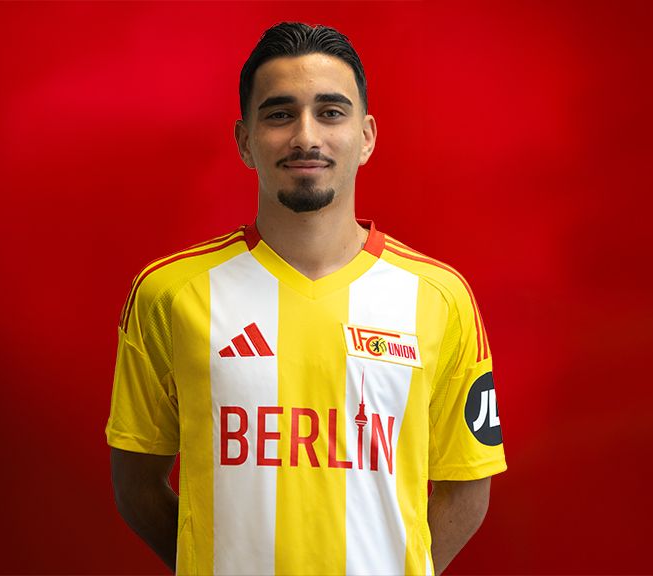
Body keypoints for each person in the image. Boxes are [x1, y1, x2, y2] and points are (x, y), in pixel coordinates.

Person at [106, 22, 506, 575]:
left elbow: (467, 488)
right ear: (244, 140)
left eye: (330, 112)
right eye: (278, 114)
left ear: (366, 136)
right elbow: (135, 484)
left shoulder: (438, 297)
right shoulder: (169, 293)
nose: (305, 136)